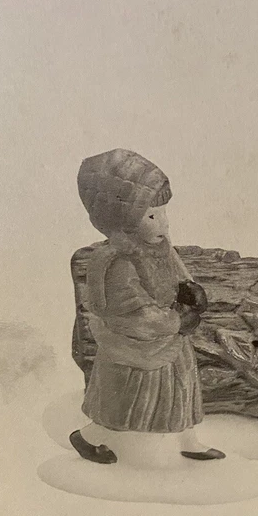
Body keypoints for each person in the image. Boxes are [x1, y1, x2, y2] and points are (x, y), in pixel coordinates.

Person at [71, 149, 222, 464]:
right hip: (136, 346)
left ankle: (189, 439)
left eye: (163, 214)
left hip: (169, 339)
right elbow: (135, 312)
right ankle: (88, 436)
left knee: (183, 387)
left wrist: (189, 288)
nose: (162, 225)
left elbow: (175, 269)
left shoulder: (158, 246)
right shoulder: (118, 263)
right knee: (124, 401)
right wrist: (175, 322)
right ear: (121, 221)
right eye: (151, 217)